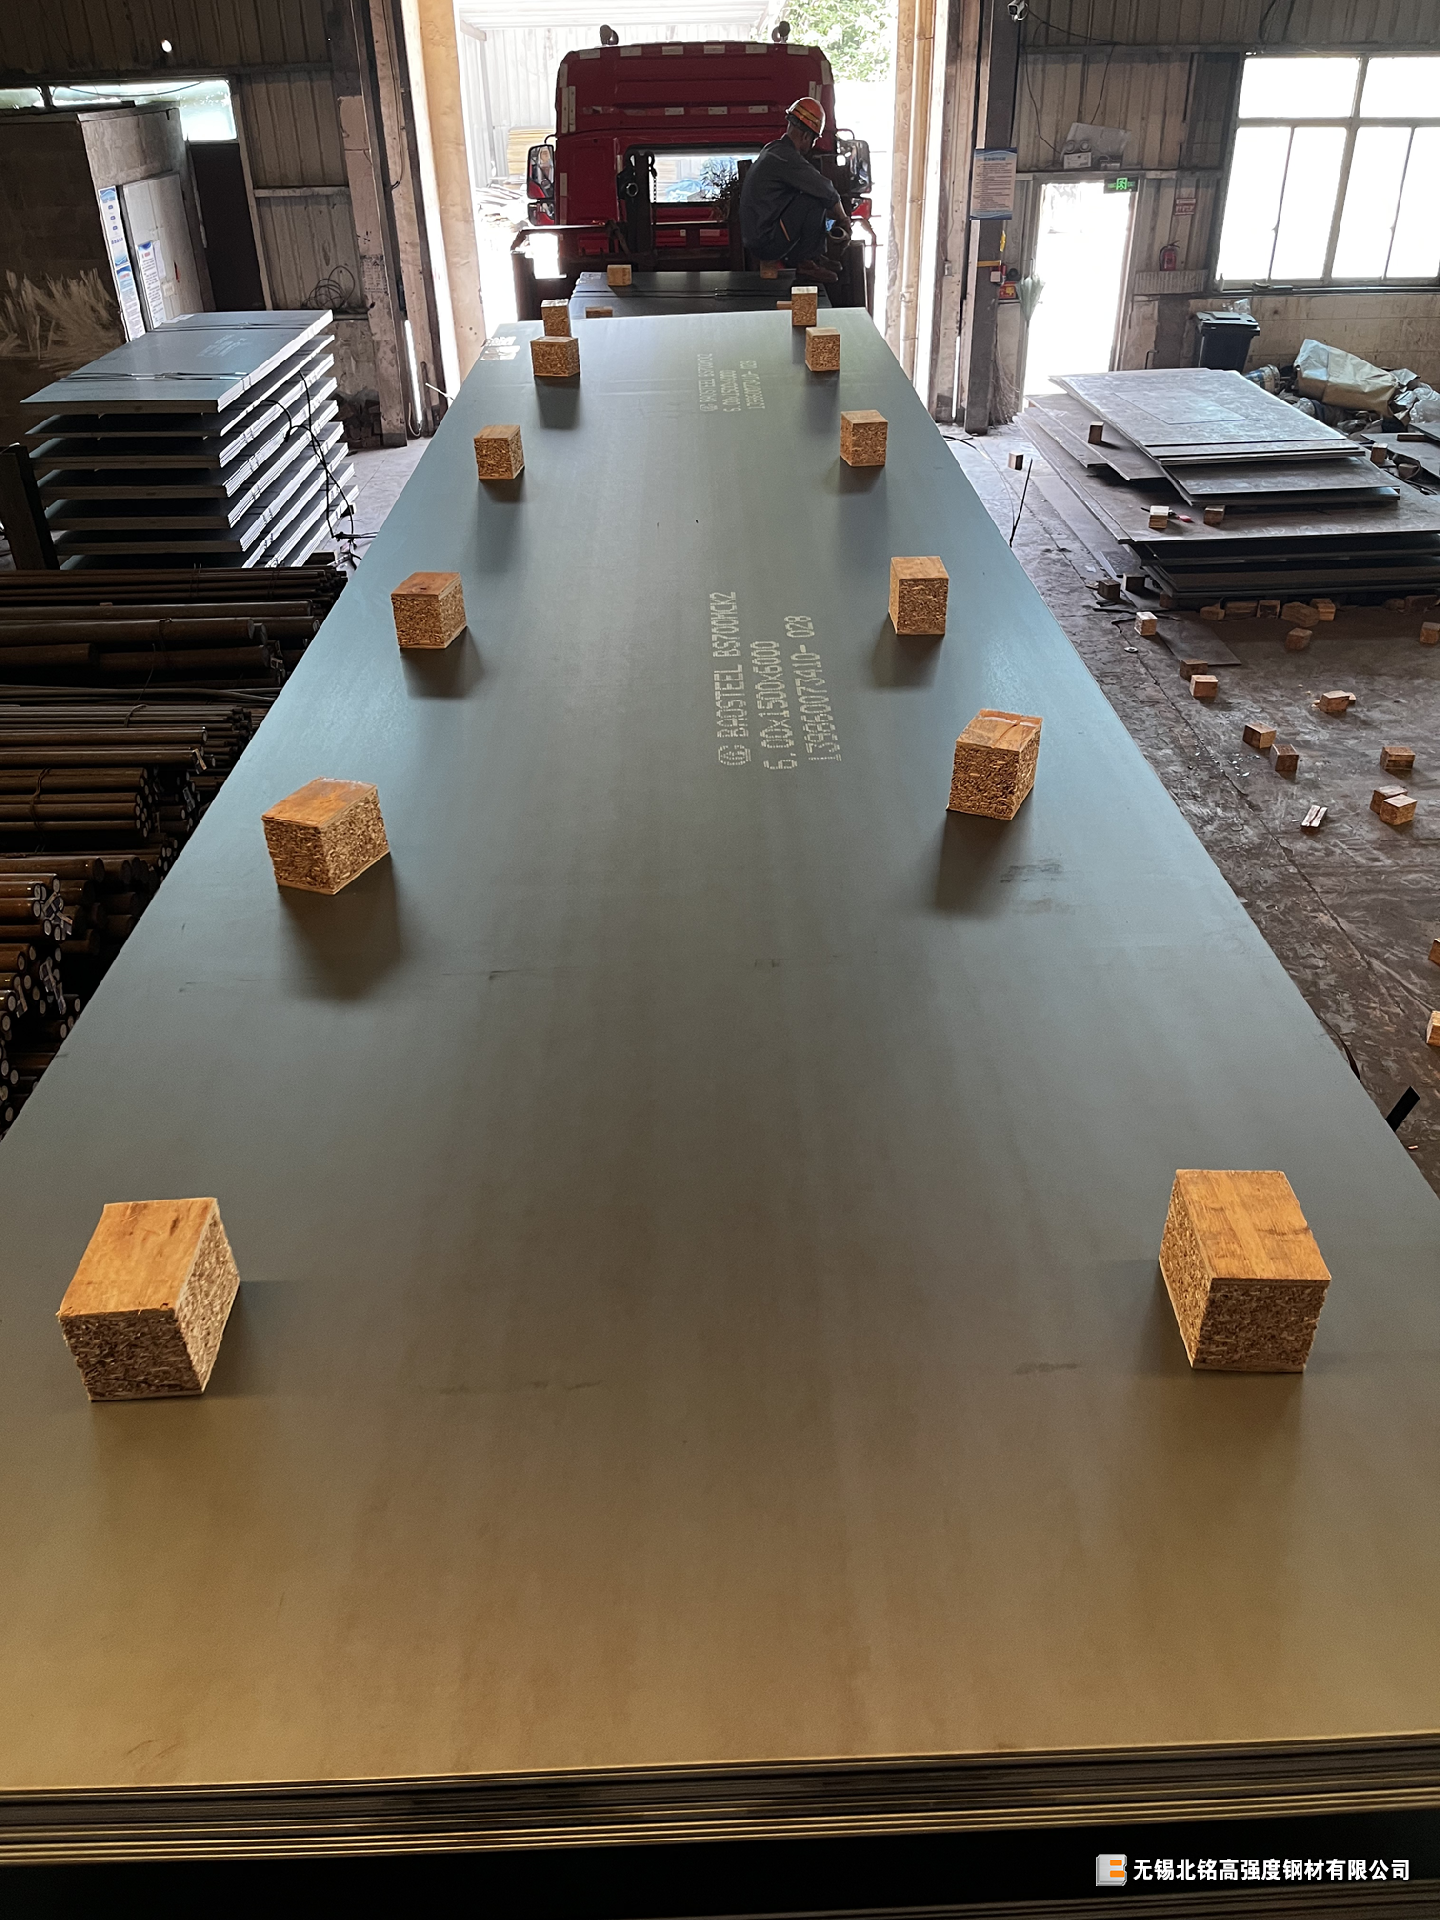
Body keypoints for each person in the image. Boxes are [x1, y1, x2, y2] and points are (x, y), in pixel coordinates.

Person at [739, 97, 850, 284]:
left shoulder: (774, 150)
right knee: (813, 199)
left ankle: (814, 257)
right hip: (766, 242)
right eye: (814, 139)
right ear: (806, 136)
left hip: (759, 236)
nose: (812, 145)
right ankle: (807, 264)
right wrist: (843, 219)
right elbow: (825, 189)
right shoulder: (786, 158)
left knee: (810, 196)